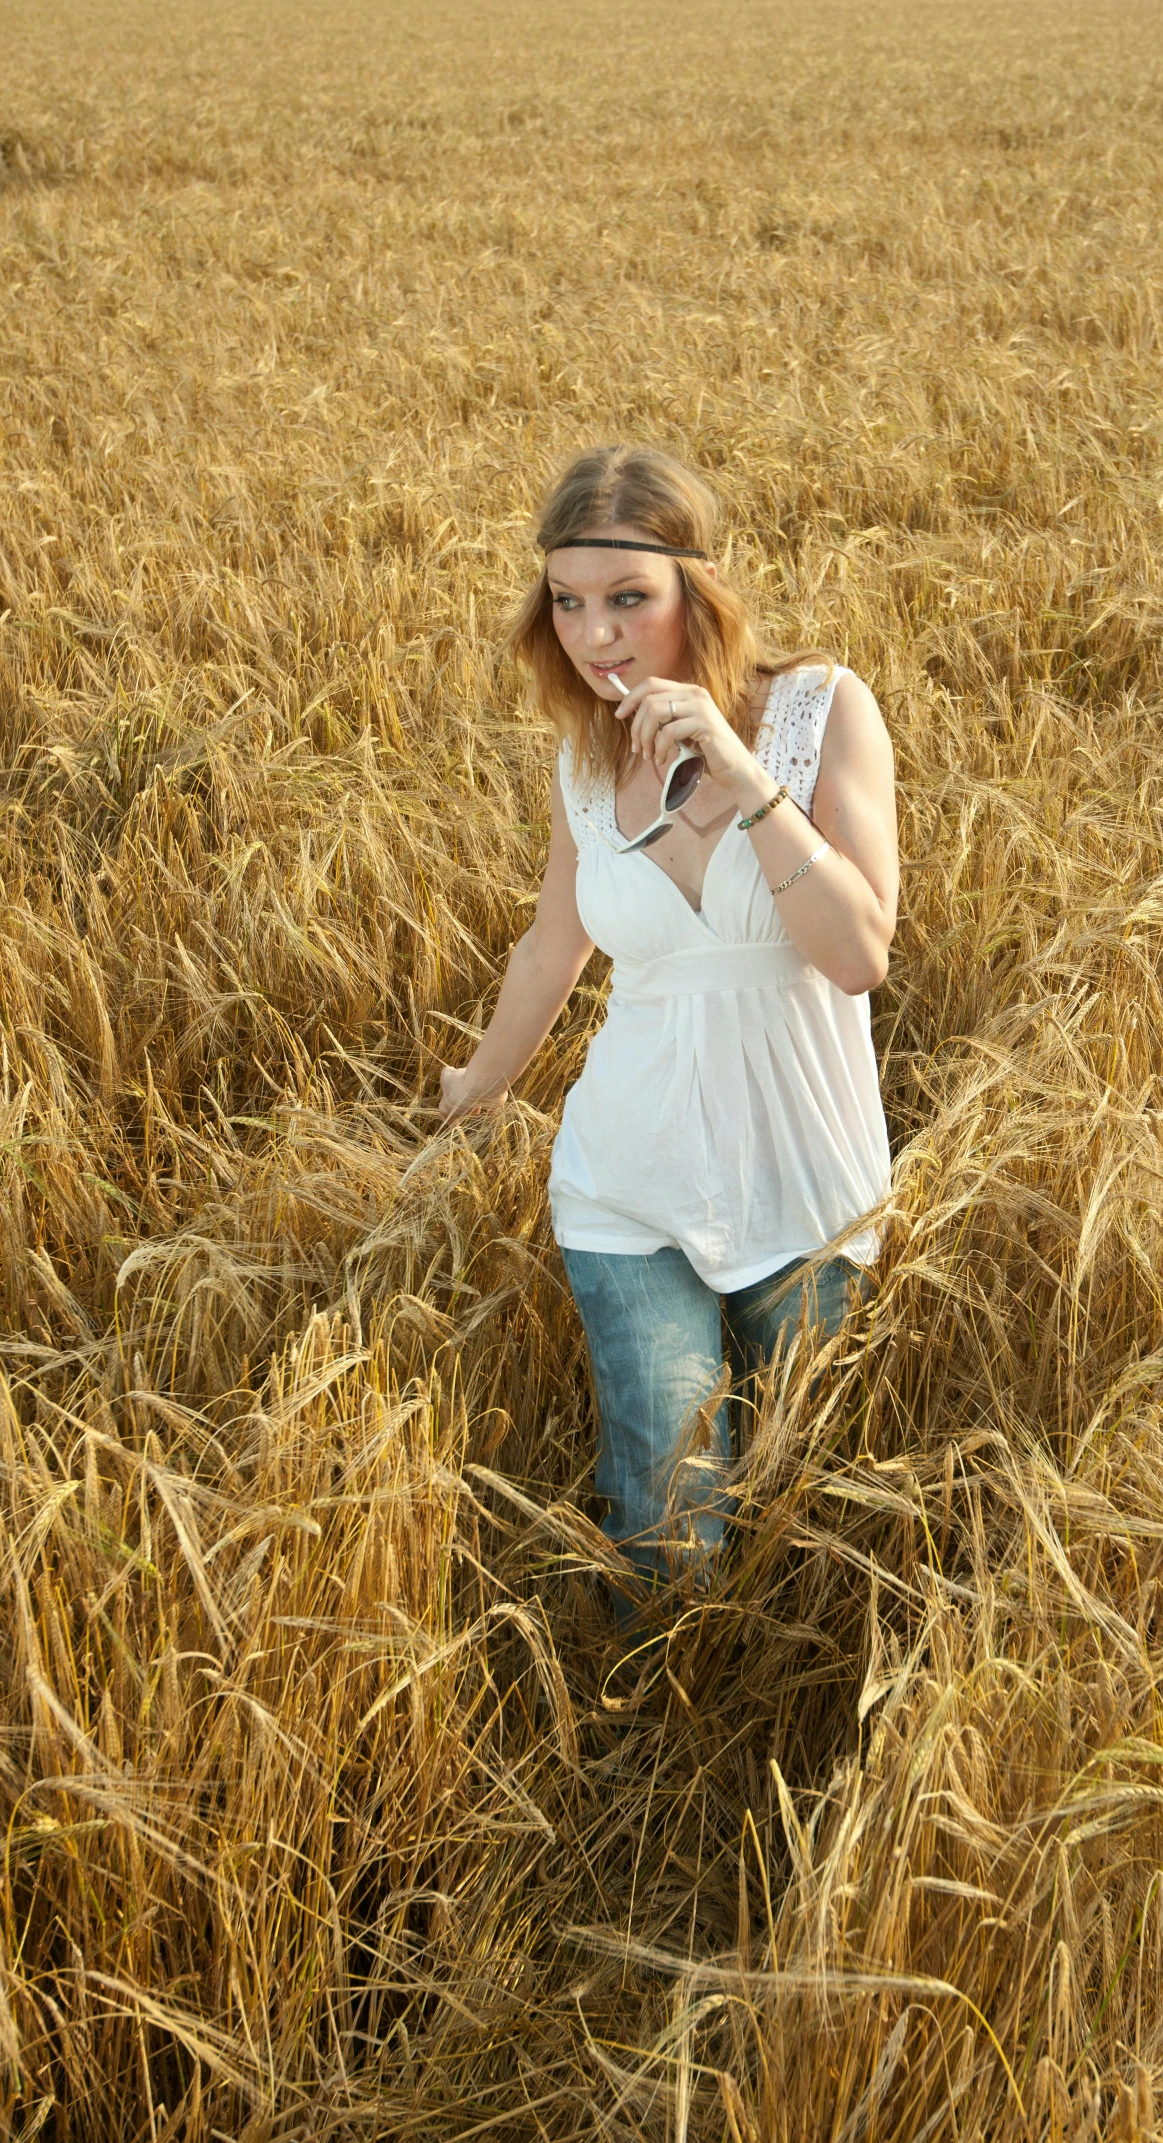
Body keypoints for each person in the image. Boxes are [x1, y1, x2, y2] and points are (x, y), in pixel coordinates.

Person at [438, 445, 897, 1620]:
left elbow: (856, 954)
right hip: (628, 1186)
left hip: (808, 1190)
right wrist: (473, 1090)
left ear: (698, 588)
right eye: (569, 602)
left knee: (804, 1515)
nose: (596, 636)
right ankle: (639, 1734)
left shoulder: (817, 711)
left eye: (627, 598)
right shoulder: (583, 765)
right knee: (670, 1534)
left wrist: (740, 773)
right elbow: (555, 947)